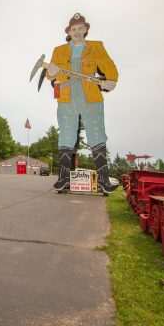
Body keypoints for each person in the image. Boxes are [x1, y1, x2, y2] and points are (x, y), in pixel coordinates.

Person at [46, 13, 119, 194]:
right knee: (66, 134)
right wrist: (52, 72)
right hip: (67, 97)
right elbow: (50, 75)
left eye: (80, 28)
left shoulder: (96, 47)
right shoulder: (59, 50)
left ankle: (103, 181)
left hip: (91, 97)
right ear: (69, 32)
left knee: (97, 133)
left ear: (86, 30)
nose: (77, 32)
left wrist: (110, 80)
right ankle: (63, 178)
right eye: (73, 29)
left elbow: (110, 68)